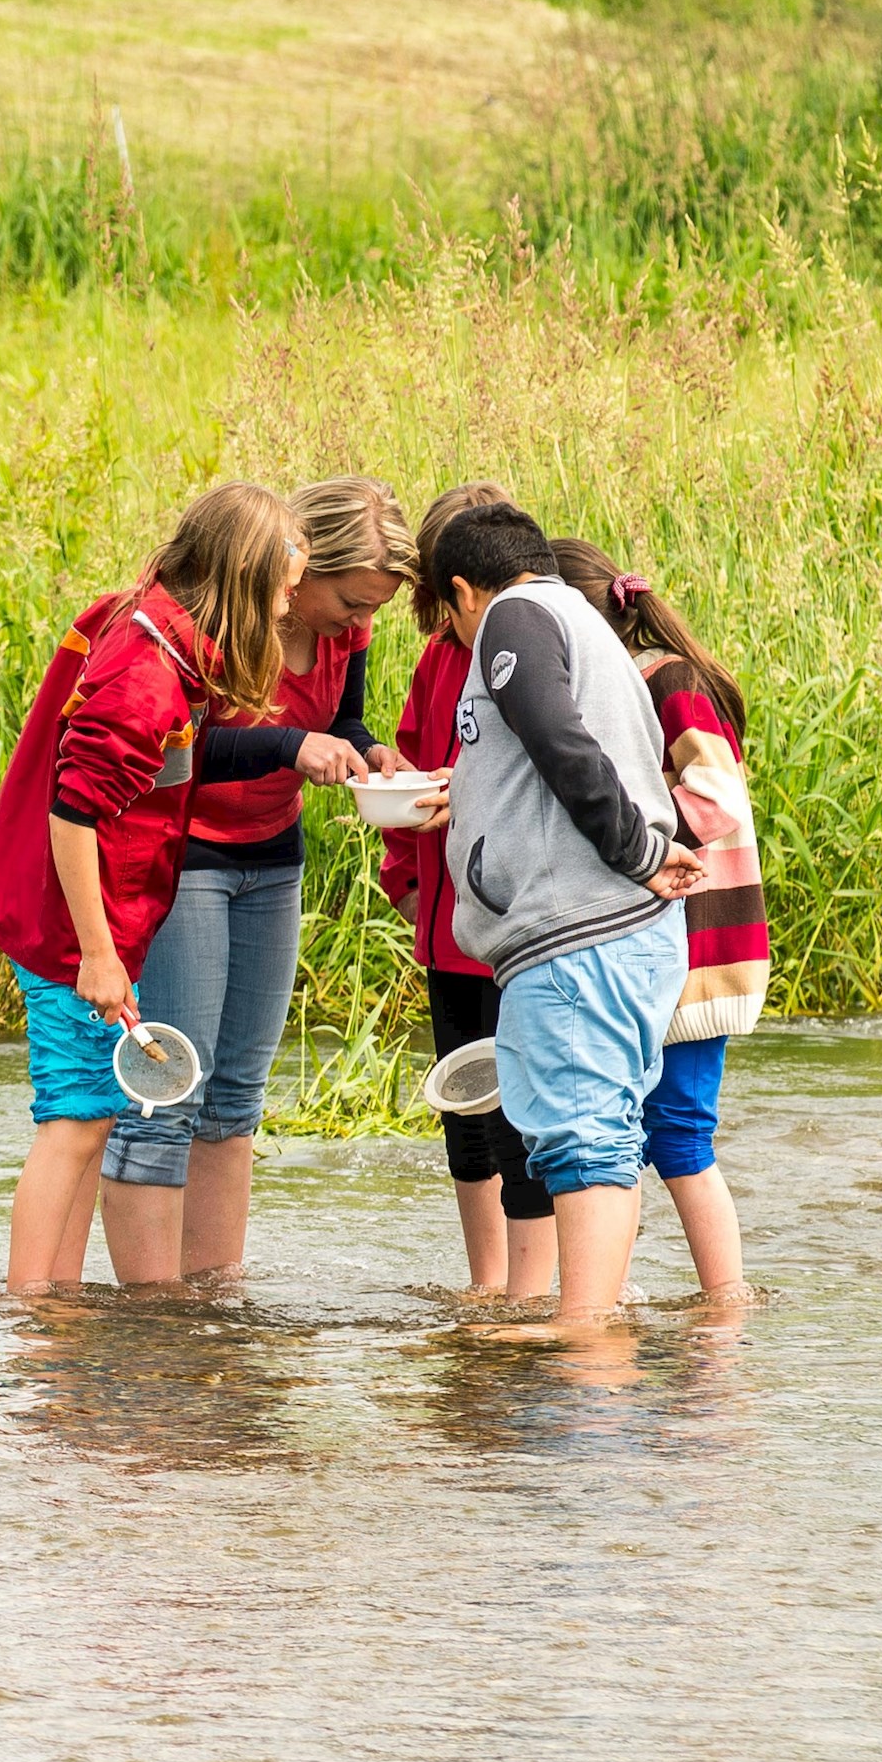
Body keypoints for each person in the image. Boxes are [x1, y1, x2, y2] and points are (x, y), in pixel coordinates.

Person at [0, 483, 302, 1293]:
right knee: (73, 1121)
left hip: (95, 922)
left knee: (92, 1113)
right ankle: (29, 1314)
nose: (291, 604)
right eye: (286, 586)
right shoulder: (144, 677)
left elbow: (154, 774)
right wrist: (99, 955)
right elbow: (72, 813)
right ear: (243, 581)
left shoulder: (163, 640)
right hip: (68, 928)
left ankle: (60, 1303)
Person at [99, 476, 409, 1283]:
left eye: (375, 608)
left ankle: (213, 1303)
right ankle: (156, 1314)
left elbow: (340, 720)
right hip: (188, 851)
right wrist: (288, 747)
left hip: (273, 857)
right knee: (170, 1091)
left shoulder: (348, 635)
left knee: (237, 1096)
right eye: (351, 602)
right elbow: (175, 749)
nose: (362, 623)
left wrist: (368, 753)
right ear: (300, 574)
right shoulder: (227, 621)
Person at [426, 504, 701, 1332]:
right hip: (602, 935)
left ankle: (585, 1348)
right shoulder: (576, 619)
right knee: (597, 1140)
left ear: (464, 591)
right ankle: (594, 1342)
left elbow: (557, 739)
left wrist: (638, 853)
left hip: (578, 937)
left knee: (583, 1145)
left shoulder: (515, 614)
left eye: (450, 614)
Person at [552, 540, 769, 1296]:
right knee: (625, 1132)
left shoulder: (664, 681)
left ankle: (725, 1304)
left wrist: (619, 828)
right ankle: (609, 1294)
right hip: (660, 936)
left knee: (678, 1133)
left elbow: (715, 795)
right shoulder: (626, 682)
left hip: (699, 941)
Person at [382, 481, 552, 1298]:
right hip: (448, 928)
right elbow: (412, 771)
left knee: (527, 1108)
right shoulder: (436, 660)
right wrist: (404, 879)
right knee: (465, 1107)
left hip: (523, 924)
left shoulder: (537, 647)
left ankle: (534, 1284)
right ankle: (488, 1284)